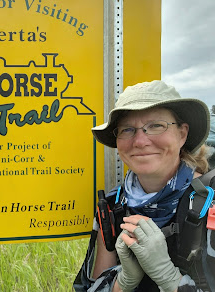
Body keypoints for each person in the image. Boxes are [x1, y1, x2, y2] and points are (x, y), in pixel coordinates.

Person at [73, 80, 215, 291]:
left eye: (156, 126)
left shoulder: (209, 202)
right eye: (127, 129)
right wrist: (124, 280)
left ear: (182, 134)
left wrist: (169, 278)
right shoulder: (112, 207)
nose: (140, 141)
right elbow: (90, 288)